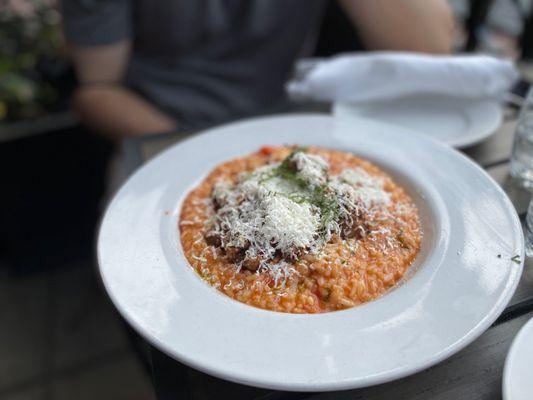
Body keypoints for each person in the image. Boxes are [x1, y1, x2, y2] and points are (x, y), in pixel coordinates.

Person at [61, 0, 454, 139]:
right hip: (161, 131)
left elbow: (428, 52)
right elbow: (98, 91)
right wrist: (208, 155)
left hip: (288, 122)